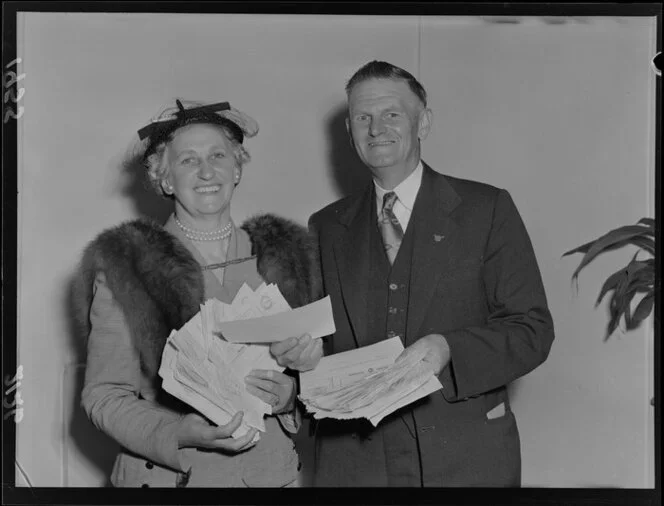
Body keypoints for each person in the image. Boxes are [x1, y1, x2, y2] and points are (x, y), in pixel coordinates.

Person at [302, 60, 555, 487]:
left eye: (391, 114)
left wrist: (449, 349)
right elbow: (316, 346)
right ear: (349, 130)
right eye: (363, 117)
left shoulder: (486, 209)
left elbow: (532, 330)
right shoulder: (325, 226)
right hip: (355, 464)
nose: (376, 128)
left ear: (424, 123)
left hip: (467, 459)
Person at [73, 99, 323, 487]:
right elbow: (104, 397)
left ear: (236, 168)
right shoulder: (130, 267)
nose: (207, 171)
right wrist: (176, 432)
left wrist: (293, 395)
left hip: (269, 476)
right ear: (165, 177)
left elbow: (317, 378)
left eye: (218, 156)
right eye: (188, 160)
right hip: (176, 477)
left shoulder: (282, 257)